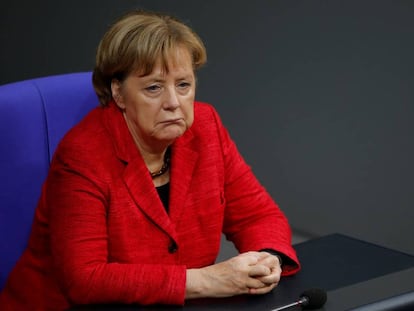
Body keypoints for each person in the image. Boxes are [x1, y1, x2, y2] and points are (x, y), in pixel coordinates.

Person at [0, 10, 300, 310]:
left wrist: (266, 258)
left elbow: (258, 216)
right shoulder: (83, 155)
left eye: (183, 85)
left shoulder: (206, 128)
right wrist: (205, 280)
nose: (173, 103)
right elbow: (85, 278)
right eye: (154, 88)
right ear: (118, 92)